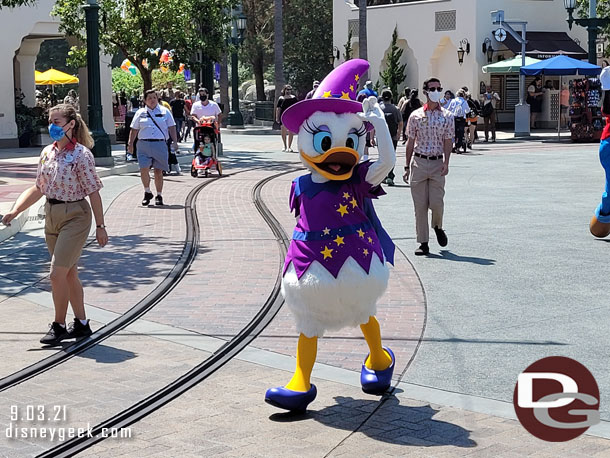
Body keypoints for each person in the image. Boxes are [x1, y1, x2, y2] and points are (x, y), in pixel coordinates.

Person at [1, 104, 107, 346]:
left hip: (76, 215)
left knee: (56, 273)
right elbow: (39, 187)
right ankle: (81, 323)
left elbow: (94, 193)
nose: (52, 126)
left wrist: (101, 226)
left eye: (57, 121)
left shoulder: (82, 155)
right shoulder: (47, 152)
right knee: (68, 273)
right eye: (50, 121)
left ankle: (59, 325)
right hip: (52, 212)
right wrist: (16, 210)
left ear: (71, 124)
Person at [403, 77, 454, 256]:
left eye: (438, 88)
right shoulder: (415, 116)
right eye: (432, 88)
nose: (436, 91)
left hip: (437, 163)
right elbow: (410, 142)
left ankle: (438, 226)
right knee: (420, 205)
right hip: (419, 161)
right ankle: (423, 242)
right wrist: (407, 166)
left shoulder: (447, 116)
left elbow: (448, 141)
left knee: (437, 202)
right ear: (425, 91)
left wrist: (447, 162)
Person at [128, 89, 178, 206]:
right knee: (143, 168)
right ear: (145, 100)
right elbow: (134, 129)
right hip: (143, 144)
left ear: (157, 99)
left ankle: (159, 195)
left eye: (154, 97)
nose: (152, 100)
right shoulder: (140, 113)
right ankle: (147, 191)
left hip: (160, 144)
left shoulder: (165, 111)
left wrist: (175, 142)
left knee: (158, 171)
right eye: (149, 98)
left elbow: (172, 127)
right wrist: (130, 144)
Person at [380, 88, 402, 186]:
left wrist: (372, 137)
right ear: (391, 97)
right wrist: (399, 133)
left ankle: (382, 176)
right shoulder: (395, 109)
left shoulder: (379, 109)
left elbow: (374, 125)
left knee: (382, 156)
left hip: (382, 137)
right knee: (392, 155)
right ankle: (390, 175)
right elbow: (400, 122)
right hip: (392, 137)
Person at [190, 87, 222, 152]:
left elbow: (219, 114)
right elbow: (193, 116)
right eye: (200, 95)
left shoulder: (213, 105)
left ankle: (213, 156)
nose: (202, 96)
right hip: (200, 127)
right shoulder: (196, 105)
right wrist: (198, 121)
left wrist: (218, 124)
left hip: (211, 127)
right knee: (199, 142)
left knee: (212, 142)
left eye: (203, 94)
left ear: (207, 95)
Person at [447, 89, 470, 153]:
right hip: (462, 118)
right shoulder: (464, 101)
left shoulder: (453, 101)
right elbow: (467, 110)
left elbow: (449, 109)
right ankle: (458, 146)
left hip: (454, 118)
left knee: (454, 132)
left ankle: (453, 145)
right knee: (461, 132)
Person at [276, 85, 298, 152]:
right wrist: (277, 117)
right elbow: (278, 109)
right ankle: (284, 146)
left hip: (291, 116)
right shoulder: (281, 98)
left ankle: (289, 147)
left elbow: (297, 107)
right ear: (284, 90)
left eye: (290, 89)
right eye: (287, 89)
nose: (288, 91)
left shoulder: (293, 98)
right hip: (283, 116)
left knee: (291, 131)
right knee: (283, 131)